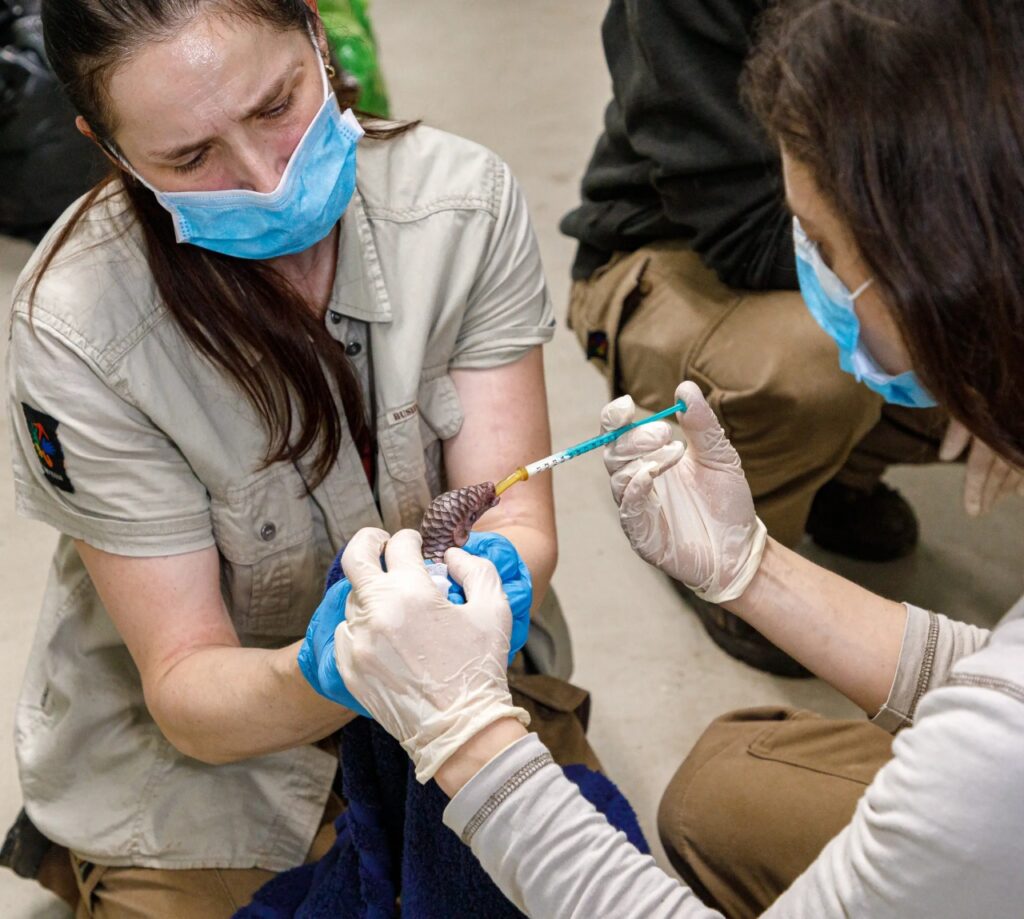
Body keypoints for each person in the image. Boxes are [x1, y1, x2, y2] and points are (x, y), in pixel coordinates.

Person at [303, 0, 1024, 915]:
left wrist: (468, 738)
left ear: (945, 278)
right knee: (732, 791)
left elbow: (998, 737)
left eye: (826, 248)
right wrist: (752, 569)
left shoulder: (992, 765)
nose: (814, 275)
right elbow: (998, 688)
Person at [2, 0, 573, 914]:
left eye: (277, 105)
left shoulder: (463, 204)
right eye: (189, 159)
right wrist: (336, 670)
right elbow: (188, 686)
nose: (266, 178)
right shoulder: (74, 326)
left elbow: (511, 512)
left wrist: (495, 577)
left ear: (315, 32)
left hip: (464, 679)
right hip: (209, 760)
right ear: (107, 149)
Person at [558, 0, 1011, 677]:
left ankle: (837, 475)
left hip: (862, 238)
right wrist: (976, 334)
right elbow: (749, 228)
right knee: (817, 368)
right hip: (691, 251)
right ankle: (760, 515)